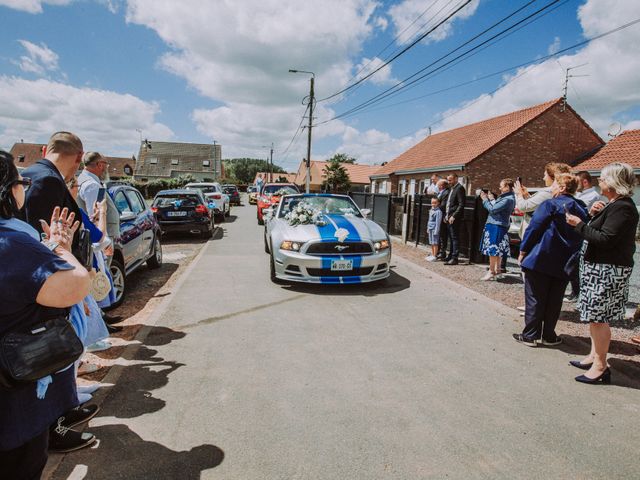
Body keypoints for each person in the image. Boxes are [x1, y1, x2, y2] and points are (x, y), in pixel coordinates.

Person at [0, 151, 94, 478]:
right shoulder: (13, 245)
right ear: (9, 192)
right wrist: (60, 249)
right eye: (18, 182)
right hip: (12, 403)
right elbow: (77, 285)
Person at [565, 163, 639, 384]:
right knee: (592, 315)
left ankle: (600, 366)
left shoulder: (623, 207)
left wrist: (579, 225)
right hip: (598, 268)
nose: (600, 182)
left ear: (615, 183)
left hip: (607, 270)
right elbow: (600, 231)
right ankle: (594, 356)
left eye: (604, 179)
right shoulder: (613, 205)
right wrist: (592, 214)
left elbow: (606, 239)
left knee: (598, 318)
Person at [513, 173, 587, 347]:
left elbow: (535, 228)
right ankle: (549, 335)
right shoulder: (581, 207)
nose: (551, 188)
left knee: (535, 296)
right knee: (555, 299)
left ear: (561, 188)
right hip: (565, 260)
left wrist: (523, 250)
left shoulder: (550, 204)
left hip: (541, 256)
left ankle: (531, 335)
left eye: (554, 185)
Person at [514, 162, 572, 238]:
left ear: (552, 177)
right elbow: (536, 207)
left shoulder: (548, 192)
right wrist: (526, 195)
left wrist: (519, 194)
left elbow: (524, 207)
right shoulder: (562, 192)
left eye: (545, 175)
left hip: (535, 235)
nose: (543, 178)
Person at [479, 179, 516, 281]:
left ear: (507, 187)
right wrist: (491, 200)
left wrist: (485, 200)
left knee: (493, 249)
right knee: (498, 249)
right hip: (499, 224)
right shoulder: (508, 197)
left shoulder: (507, 199)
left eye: (501, 186)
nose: (499, 188)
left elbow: (493, 209)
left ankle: (491, 271)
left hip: (496, 225)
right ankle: (497, 270)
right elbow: (497, 208)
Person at [444, 173, 466, 265]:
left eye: (450, 180)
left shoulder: (460, 188)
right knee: (451, 237)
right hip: (448, 217)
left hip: (455, 218)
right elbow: (449, 204)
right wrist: (446, 216)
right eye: (448, 180)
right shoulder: (451, 189)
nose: (449, 182)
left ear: (456, 179)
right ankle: (450, 255)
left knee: (455, 237)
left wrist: (454, 216)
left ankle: (454, 258)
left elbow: (461, 204)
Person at [436, 179, 449, 260]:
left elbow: (443, 205)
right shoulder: (440, 193)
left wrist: (435, 207)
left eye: (438, 185)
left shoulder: (446, 193)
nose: (437, 187)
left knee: (442, 235)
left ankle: (442, 252)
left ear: (441, 186)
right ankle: (437, 251)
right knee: (438, 234)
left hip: (442, 216)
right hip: (438, 215)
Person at [425, 197, 442, 261]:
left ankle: (435, 256)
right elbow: (429, 220)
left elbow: (438, 222)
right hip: (430, 228)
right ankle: (432, 254)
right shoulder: (431, 210)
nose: (433, 204)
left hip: (434, 229)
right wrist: (428, 228)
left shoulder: (438, 212)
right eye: (432, 203)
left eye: (435, 203)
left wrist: (436, 231)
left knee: (435, 243)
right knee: (431, 242)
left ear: (438, 203)